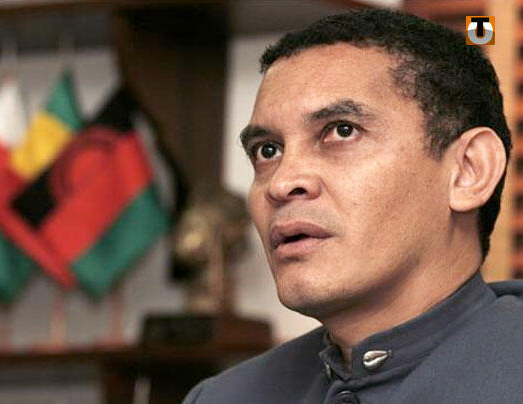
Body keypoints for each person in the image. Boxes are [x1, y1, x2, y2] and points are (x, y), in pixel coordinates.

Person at [183, 9, 523, 404]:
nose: (281, 182)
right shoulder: (222, 397)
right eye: (267, 150)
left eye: (342, 131)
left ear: (469, 171)